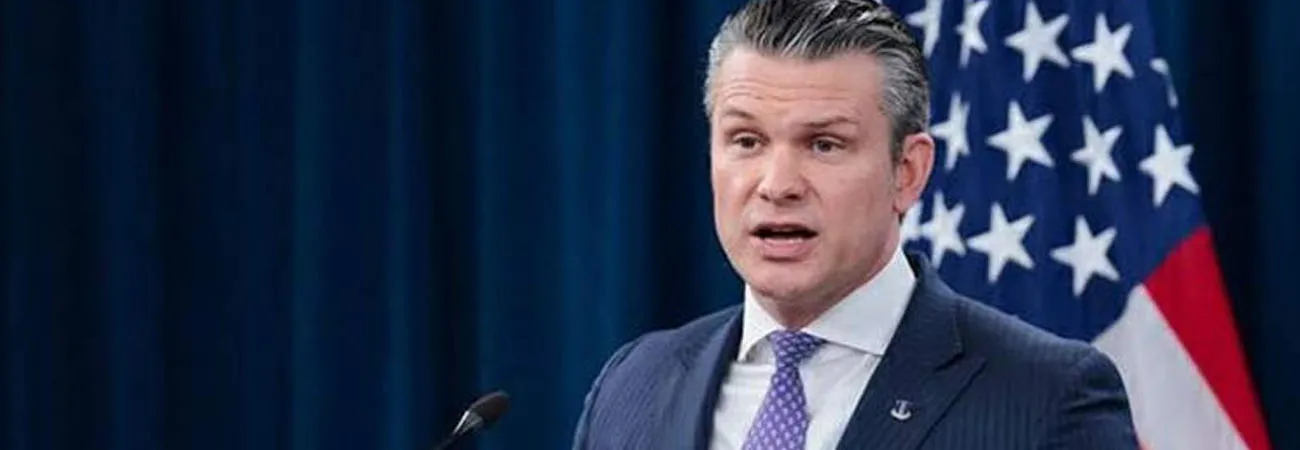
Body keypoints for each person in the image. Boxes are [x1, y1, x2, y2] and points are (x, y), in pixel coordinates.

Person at [571, 0, 1139, 448]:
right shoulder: (632, 385)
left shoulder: (1048, 398)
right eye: (746, 140)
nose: (778, 184)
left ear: (907, 172)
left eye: (824, 144)